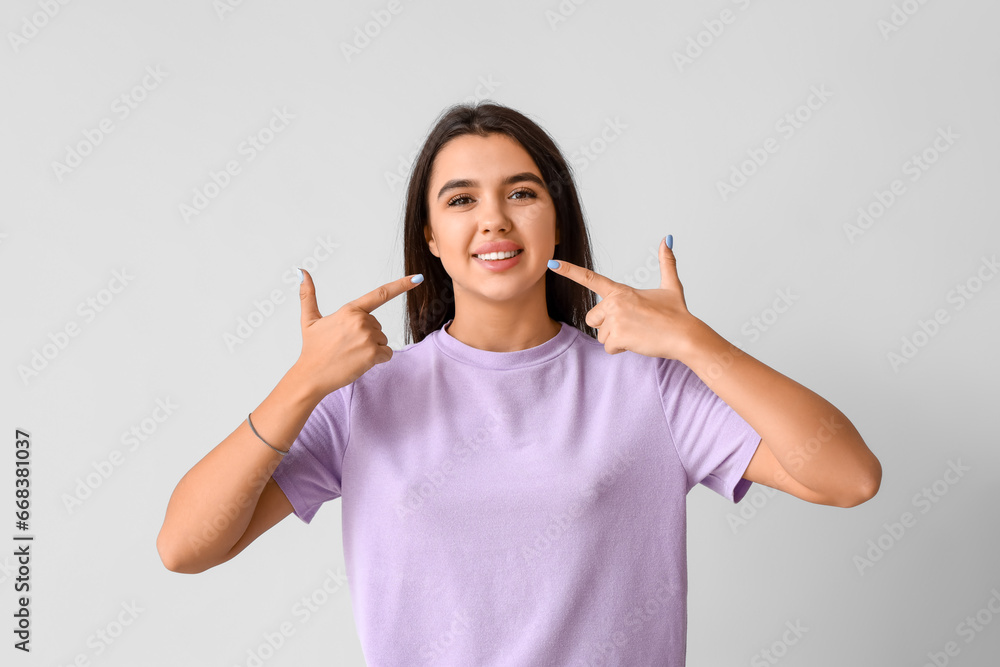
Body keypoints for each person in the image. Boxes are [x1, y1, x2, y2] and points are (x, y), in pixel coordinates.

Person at [157, 101, 882, 665]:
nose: (495, 219)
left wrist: (694, 342)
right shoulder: (365, 394)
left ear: (556, 219)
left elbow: (849, 475)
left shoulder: (647, 385)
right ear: (432, 238)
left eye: (522, 193)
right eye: (461, 199)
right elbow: (185, 545)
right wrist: (301, 385)